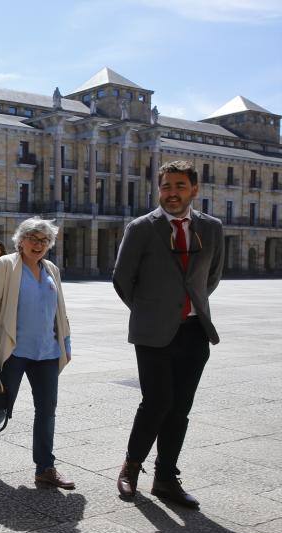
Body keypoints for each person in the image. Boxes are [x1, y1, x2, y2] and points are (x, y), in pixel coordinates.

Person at [113, 160, 224, 509]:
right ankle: (131, 467)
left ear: (194, 189)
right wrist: (151, 310)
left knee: (180, 408)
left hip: (194, 331)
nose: (171, 193)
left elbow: (212, 277)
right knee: (156, 402)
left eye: (179, 186)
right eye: (165, 186)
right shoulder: (141, 228)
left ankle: (165, 478)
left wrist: (187, 306)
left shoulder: (212, 228)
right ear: (158, 190)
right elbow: (122, 279)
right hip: (152, 332)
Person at [0, 217, 74, 491]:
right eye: (32, 238)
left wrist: (65, 344)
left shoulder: (51, 270)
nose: (38, 244)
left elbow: (59, 310)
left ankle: (44, 468)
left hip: (46, 351)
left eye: (44, 240)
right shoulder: (5, 265)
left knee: (47, 411)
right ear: (20, 241)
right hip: (13, 351)